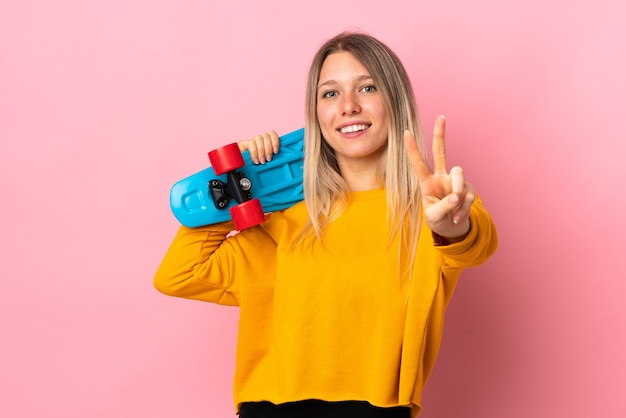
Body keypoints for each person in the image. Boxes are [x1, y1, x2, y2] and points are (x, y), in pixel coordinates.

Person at [154, 32, 498, 418]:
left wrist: (452, 228)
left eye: (367, 87)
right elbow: (179, 274)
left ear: (395, 101)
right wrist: (242, 183)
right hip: (272, 408)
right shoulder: (285, 222)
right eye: (330, 94)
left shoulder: (433, 208)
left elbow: (475, 243)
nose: (348, 106)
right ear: (316, 114)